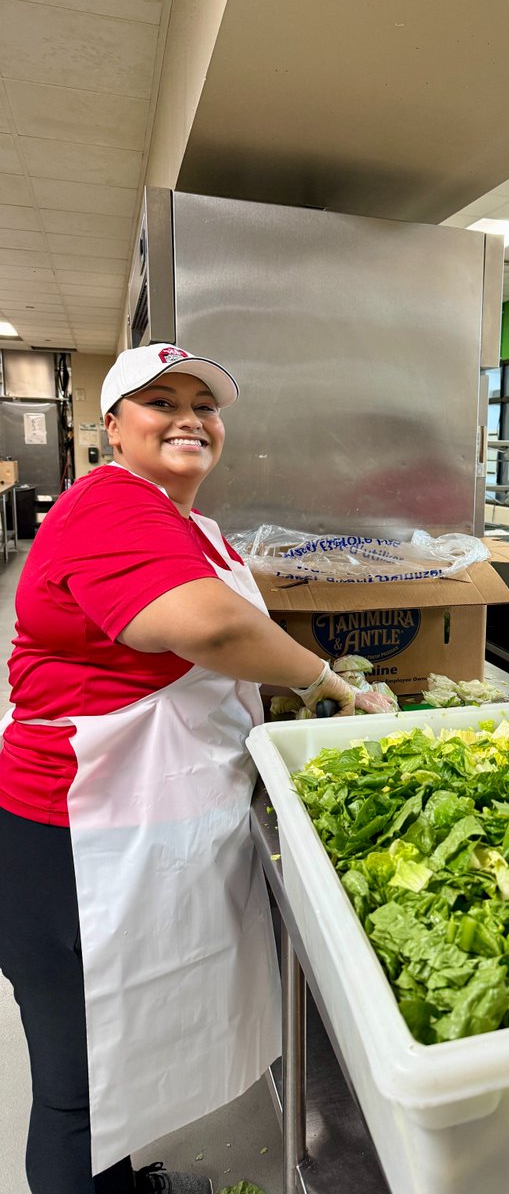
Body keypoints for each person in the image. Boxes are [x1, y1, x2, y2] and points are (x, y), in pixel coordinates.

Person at [0, 343, 369, 1194]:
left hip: (124, 818)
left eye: (204, 405)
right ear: (112, 428)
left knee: (105, 1058)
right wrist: (327, 685)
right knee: (74, 1090)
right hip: (70, 832)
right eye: (159, 402)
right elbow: (211, 627)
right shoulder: (109, 502)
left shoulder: (185, 521)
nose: (188, 419)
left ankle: (119, 1185)